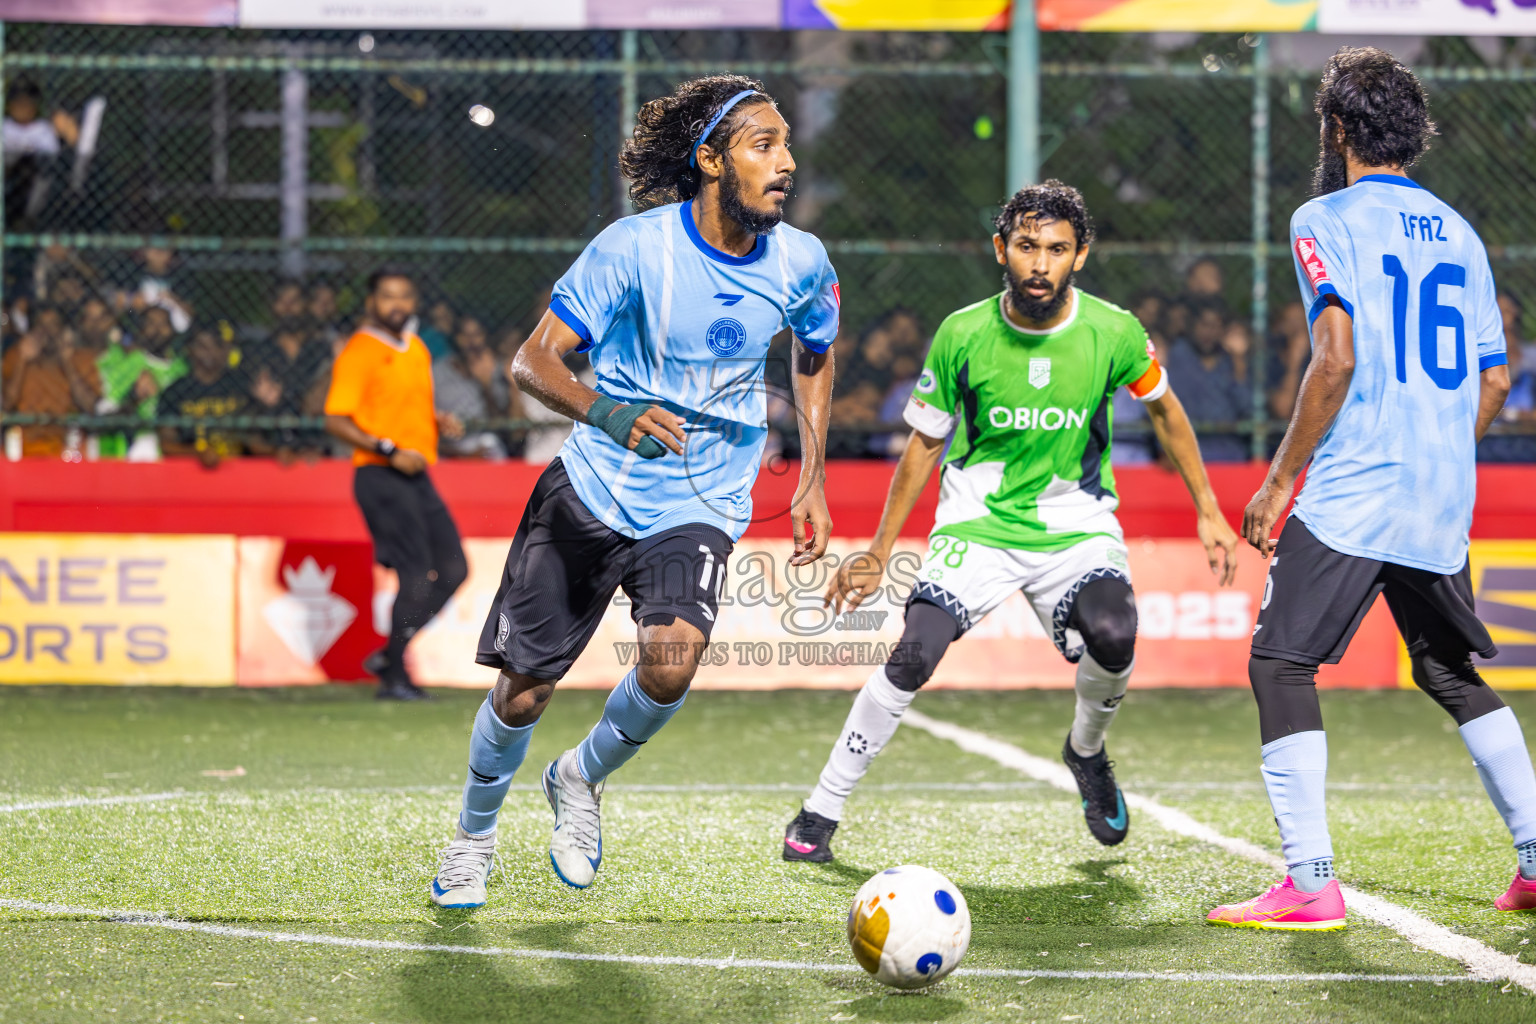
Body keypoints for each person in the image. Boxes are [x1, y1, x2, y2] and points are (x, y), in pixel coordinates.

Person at [427, 74, 839, 908]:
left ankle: (579, 778)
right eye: (766, 145)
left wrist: (814, 478)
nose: (787, 162)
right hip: (593, 488)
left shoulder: (802, 260)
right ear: (712, 159)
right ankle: (473, 835)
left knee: (671, 663)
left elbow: (817, 350)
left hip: (704, 499)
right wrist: (607, 411)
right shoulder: (631, 248)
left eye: (788, 144)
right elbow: (533, 361)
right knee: (525, 688)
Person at [783, 181, 1238, 863]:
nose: (1040, 263)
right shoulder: (962, 333)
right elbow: (925, 445)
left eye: (1057, 249)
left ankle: (1086, 753)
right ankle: (821, 809)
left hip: (1075, 525)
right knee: (914, 654)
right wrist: (879, 550)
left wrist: (1210, 511)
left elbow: (1168, 410)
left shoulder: (1113, 331)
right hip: (978, 525)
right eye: (1027, 246)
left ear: (1080, 256)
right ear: (1002, 249)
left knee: (1116, 634)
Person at [1206, 47, 1536, 932]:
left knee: (1280, 663)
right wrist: (1438, 448)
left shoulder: (1324, 216)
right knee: (1448, 669)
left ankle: (1310, 884)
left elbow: (1336, 355)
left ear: (1338, 129)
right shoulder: (1461, 232)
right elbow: (1495, 382)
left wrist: (1278, 481)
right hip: (1438, 494)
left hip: (1356, 488)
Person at [324, 268, 469, 701]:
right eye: (388, 296)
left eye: (404, 295)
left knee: (455, 569)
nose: (397, 304)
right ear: (371, 302)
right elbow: (335, 419)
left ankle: (391, 655)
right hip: (380, 474)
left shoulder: (417, 349)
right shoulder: (360, 350)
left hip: (416, 473)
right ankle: (394, 677)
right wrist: (388, 450)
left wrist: (438, 421)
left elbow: (404, 409)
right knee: (415, 576)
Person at [0, 303, 99, 457]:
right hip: (26, 444)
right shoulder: (15, 356)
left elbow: (90, 405)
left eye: (53, 325)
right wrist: (22, 360)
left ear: (62, 330)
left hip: (68, 446)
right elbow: (7, 403)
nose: (47, 332)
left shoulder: (79, 359)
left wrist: (67, 362)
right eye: (41, 326)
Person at [1166, 299, 1251, 461]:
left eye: (1215, 326)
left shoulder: (1231, 360)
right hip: (1187, 452)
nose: (1209, 332)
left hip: (1229, 452)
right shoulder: (1178, 355)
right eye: (1204, 325)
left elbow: (1247, 408)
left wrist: (1239, 362)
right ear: (1193, 326)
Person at [157, 325, 246, 467]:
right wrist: (198, 454)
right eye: (202, 346)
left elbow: (256, 435)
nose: (209, 352)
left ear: (224, 351)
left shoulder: (240, 387)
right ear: (189, 350)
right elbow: (166, 444)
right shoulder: (175, 392)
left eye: (215, 346)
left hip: (238, 469)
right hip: (192, 471)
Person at [433, 315, 513, 459]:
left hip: (482, 444)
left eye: (477, 335)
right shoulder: (437, 371)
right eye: (465, 335)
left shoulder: (493, 369)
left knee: (491, 442)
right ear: (456, 338)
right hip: (447, 446)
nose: (471, 342)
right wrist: (466, 455)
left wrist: (485, 383)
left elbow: (501, 422)